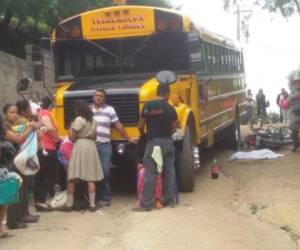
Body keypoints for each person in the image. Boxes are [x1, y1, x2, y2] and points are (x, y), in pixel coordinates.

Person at [135, 84, 178, 211]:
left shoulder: (148, 105)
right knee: (169, 171)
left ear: (157, 92)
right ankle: (169, 200)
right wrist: (166, 136)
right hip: (168, 143)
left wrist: (145, 134)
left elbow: (140, 126)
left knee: (150, 172)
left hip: (154, 142)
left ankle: (146, 203)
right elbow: (174, 129)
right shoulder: (171, 108)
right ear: (168, 94)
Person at [91, 89, 135, 207]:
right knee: (90, 172)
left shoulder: (110, 110)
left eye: (101, 96)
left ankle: (105, 197)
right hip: (90, 145)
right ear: (93, 97)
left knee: (105, 171)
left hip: (105, 145)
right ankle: (93, 198)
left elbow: (118, 125)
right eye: (96, 96)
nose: (98, 98)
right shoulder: (88, 110)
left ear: (104, 98)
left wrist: (128, 138)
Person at [63, 100, 103, 212]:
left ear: (78, 110)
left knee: (73, 177)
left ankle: (69, 204)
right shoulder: (93, 121)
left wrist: (71, 127)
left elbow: (71, 138)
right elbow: (95, 137)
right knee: (91, 177)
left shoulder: (79, 120)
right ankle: (92, 204)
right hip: (91, 147)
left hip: (80, 145)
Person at [3, 103, 39, 229]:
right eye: (11, 112)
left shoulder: (16, 125)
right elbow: (18, 139)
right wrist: (30, 128)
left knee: (21, 190)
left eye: (16, 112)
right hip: (9, 162)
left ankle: (19, 217)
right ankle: (13, 221)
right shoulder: (5, 127)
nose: (15, 115)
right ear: (5, 114)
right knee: (14, 191)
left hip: (17, 161)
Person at [33, 96, 62, 211]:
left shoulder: (37, 115)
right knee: (49, 175)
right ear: (50, 106)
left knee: (40, 175)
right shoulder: (45, 113)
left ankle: (38, 201)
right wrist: (58, 138)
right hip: (48, 148)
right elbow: (49, 128)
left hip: (40, 148)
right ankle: (41, 201)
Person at [287, 81, 300, 152]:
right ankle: (296, 144)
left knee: (294, 131)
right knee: (293, 131)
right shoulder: (292, 95)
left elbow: (286, 103)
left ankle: (296, 144)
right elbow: (287, 103)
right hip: (295, 116)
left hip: (295, 116)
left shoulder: (292, 95)